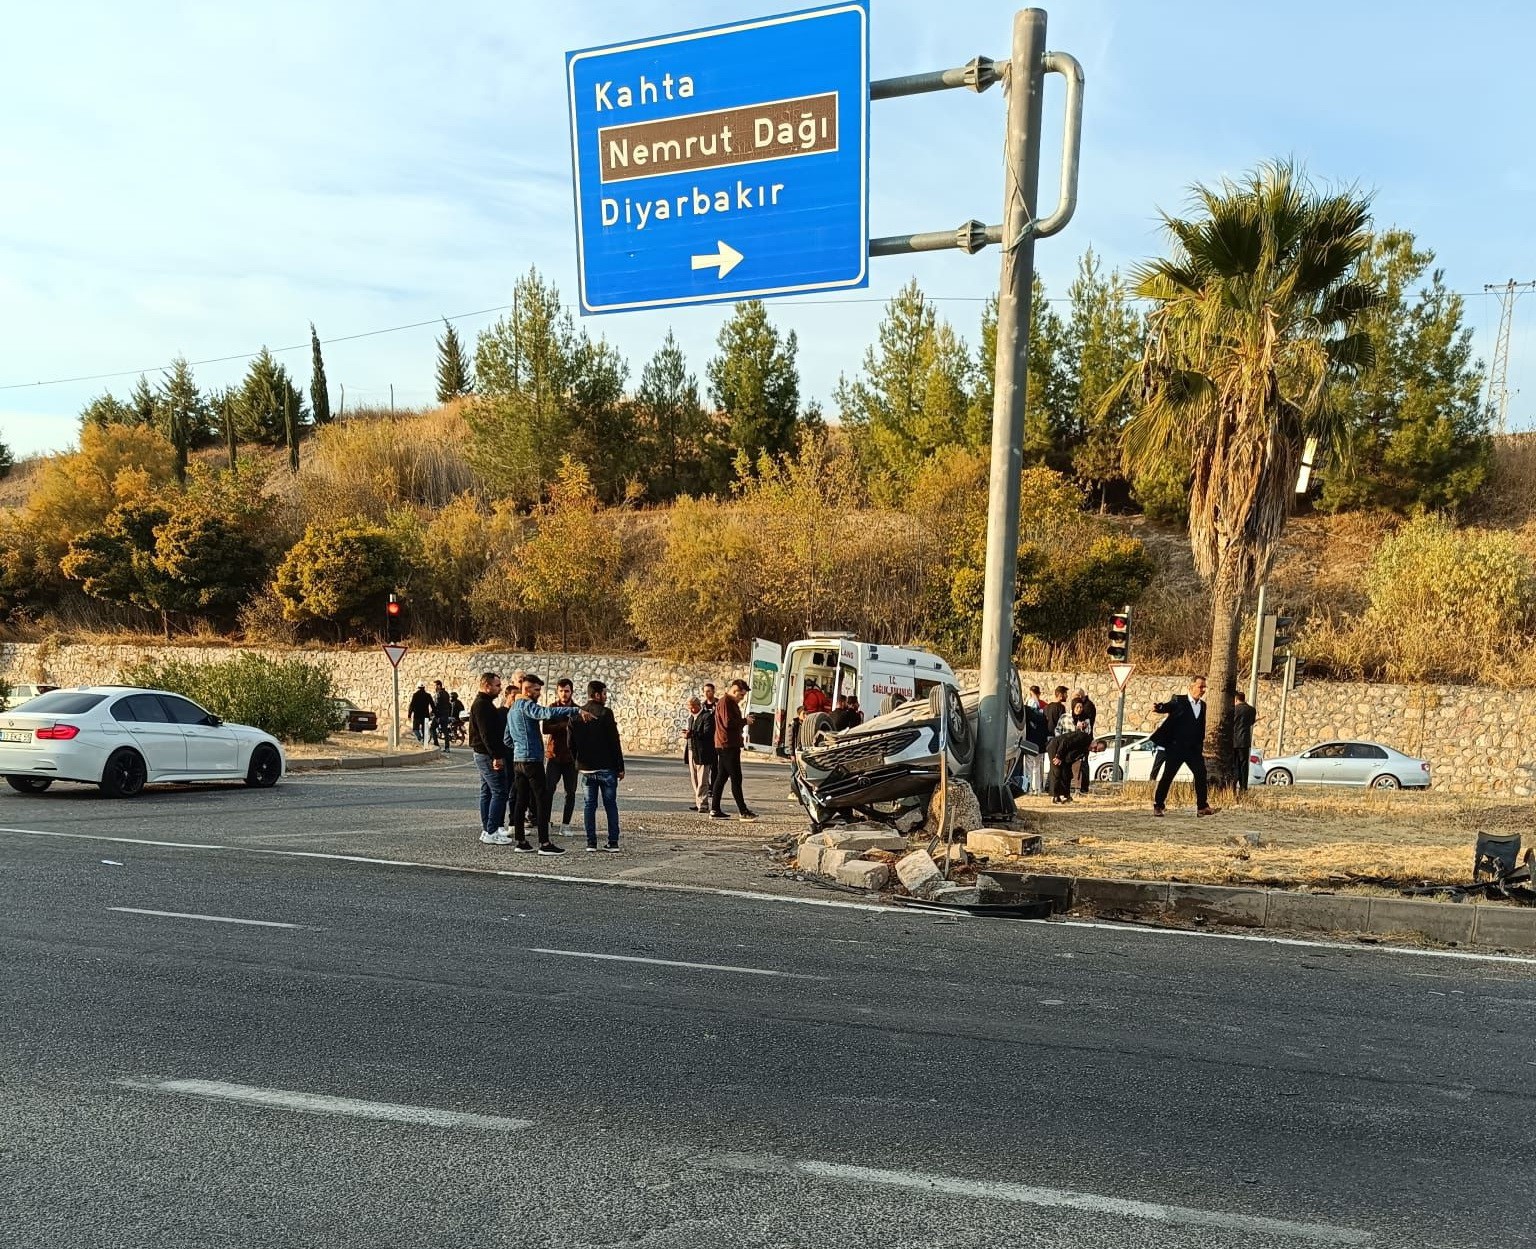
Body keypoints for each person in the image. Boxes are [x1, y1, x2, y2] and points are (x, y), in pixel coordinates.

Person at [503, 673, 585, 854]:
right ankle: (544, 843)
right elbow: (545, 713)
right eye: (537, 690)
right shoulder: (526, 705)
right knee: (542, 800)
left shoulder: (512, 708)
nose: (539, 693)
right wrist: (574, 710)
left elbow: (507, 738)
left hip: (518, 760)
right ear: (526, 689)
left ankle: (521, 841)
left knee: (521, 801)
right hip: (532, 760)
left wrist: (520, 746)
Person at [1150, 675, 1217, 818]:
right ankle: (1158, 805)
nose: (1203, 690)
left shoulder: (1203, 705)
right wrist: (1159, 707)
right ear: (1191, 687)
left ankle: (1202, 807)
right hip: (1176, 748)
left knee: (1201, 774)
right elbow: (1167, 706)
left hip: (1193, 749)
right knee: (1168, 776)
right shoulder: (1179, 700)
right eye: (1200, 687)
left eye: (1205, 687)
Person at [569, 680, 624, 852]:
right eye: (604, 694)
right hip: (606, 767)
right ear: (597, 694)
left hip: (586, 768)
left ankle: (591, 842)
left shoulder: (576, 715)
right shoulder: (606, 713)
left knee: (589, 805)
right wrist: (620, 766)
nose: (606, 697)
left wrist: (577, 761)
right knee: (610, 805)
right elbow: (614, 742)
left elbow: (570, 744)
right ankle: (613, 842)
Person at [467, 672, 510, 845]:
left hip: (483, 754)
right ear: (487, 686)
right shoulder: (483, 706)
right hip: (486, 755)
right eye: (497, 685)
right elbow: (487, 735)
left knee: (487, 791)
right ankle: (491, 830)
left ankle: (487, 829)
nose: (500, 689)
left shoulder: (483, 704)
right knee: (499, 791)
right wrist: (497, 756)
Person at [709, 678, 757, 821]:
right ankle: (743, 811)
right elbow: (728, 723)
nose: (742, 699)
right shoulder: (726, 702)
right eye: (741, 695)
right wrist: (744, 721)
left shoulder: (729, 703)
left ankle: (715, 809)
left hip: (727, 744)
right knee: (736, 778)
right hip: (727, 745)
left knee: (721, 778)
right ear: (735, 690)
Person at [541, 678, 580, 835]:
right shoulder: (552, 708)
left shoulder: (577, 709)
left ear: (572, 692)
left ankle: (566, 824)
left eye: (567, 691)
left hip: (571, 759)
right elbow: (545, 728)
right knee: (548, 790)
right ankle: (546, 821)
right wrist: (563, 726)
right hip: (554, 756)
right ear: (557, 692)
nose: (564, 694)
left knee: (570, 792)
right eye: (562, 691)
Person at [683, 696, 715, 812]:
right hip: (692, 750)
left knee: (703, 779)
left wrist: (692, 734)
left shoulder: (707, 717)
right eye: (689, 708)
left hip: (703, 752)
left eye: (693, 707)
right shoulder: (691, 718)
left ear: (698, 706)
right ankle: (699, 802)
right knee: (694, 778)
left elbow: (708, 734)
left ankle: (703, 804)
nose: (691, 710)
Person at [1049, 727, 1093, 803]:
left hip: (1065, 754)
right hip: (1056, 746)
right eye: (1095, 748)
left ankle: (1065, 796)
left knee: (1067, 773)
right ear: (1095, 742)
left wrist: (1066, 762)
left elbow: (1072, 756)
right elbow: (1065, 741)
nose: (1094, 750)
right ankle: (1055, 796)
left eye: (1096, 751)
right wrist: (1058, 756)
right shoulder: (1084, 737)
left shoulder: (1085, 749)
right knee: (1057, 770)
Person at [1023, 685, 1049, 795]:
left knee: (1028, 765)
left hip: (1030, 739)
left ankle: (1028, 788)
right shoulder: (1044, 706)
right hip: (1040, 741)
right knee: (1037, 766)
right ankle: (1037, 788)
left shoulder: (1027, 707)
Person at [1232, 691, 1257, 794]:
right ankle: (1243, 788)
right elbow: (1251, 722)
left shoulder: (1234, 709)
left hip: (1234, 741)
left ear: (1236, 699)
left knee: (1234, 764)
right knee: (1244, 765)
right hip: (1245, 741)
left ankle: (1232, 786)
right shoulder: (1251, 710)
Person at [431, 681, 453, 753]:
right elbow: (449, 705)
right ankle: (447, 748)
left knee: (432, 728)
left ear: (439, 686)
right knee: (445, 731)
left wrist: (433, 713)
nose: (434, 687)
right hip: (445, 715)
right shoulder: (446, 694)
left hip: (439, 715)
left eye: (435, 686)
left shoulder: (438, 694)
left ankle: (436, 745)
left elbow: (436, 705)